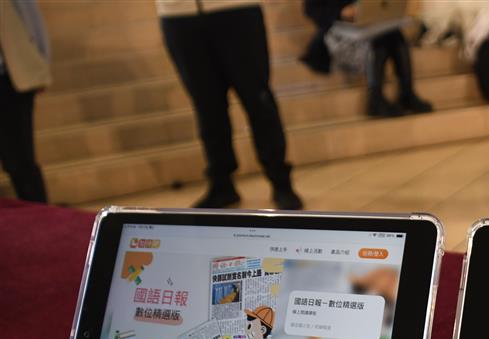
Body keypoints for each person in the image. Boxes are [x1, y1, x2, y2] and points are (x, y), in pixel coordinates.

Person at [156, 0, 303, 210]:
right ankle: (221, 185)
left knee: (258, 101)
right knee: (206, 107)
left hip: (235, 9)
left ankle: (281, 183)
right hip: (177, 15)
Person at [301, 1, 432, 117]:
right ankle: (375, 98)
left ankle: (406, 93)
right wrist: (340, 12)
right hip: (336, 33)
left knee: (394, 34)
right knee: (380, 38)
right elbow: (310, 9)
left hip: (366, 28)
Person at [0, 0, 50, 203]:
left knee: (21, 160)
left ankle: (40, 213)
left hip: (11, 81)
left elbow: (33, 23)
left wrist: (41, 66)